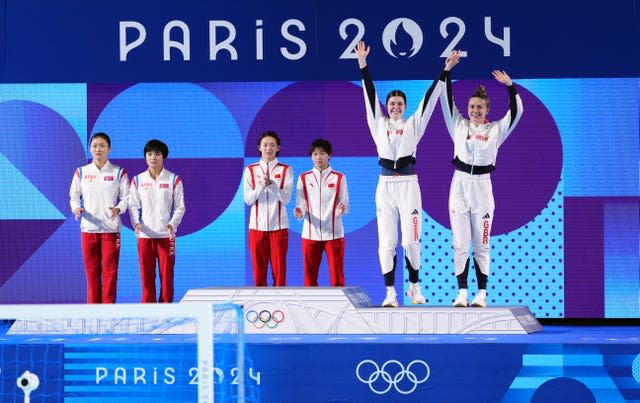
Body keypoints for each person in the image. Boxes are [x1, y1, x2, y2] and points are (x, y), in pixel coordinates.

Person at [355, 40, 448, 307]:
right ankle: (390, 294)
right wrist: (363, 64)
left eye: (399, 104)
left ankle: (415, 289)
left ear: (405, 107)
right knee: (387, 242)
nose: (395, 107)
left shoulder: (413, 125)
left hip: (409, 186)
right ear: (387, 106)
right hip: (385, 186)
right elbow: (369, 95)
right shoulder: (378, 123)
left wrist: (444, 72)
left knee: (411, 240)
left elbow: (429, 101)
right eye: (392, 103)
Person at [440, 51, 524, 308]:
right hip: (460, 185)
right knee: (460, 243)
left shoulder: (496, 130)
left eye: (479, 107)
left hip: (483, 188)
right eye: (471, 107)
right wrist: (448, 70)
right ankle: (462, 292)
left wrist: (510, 86)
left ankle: (482, 294)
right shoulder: (458, 125)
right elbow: (445, 98)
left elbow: (517, 111)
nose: (474, 110)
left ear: (487, 109)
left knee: (482, 243)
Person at [69, 132, 128, 303]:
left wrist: (118, 208)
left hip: (111, 230)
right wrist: (76, 208)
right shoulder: (81, 172)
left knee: (110, 273)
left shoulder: (119, 172)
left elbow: (127, 197)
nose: (98, 149)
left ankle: (108, 311)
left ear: (109, 148)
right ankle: (93, 312)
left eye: (102, 145)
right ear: (90, 149)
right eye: (94, 146)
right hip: (88, 229)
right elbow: (73, 196)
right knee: (92, 273)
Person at [128, 139, 186, 303]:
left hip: (165, 236)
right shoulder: (138, 180)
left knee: (166, 278)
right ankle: (148, 313)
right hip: (145, 236)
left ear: (164, 156)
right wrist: (136, 224)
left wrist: (172, 224)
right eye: (149, 154)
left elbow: (180, 207)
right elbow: (132, 205)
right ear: (145, 157)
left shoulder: (173, 179)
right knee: (147, 279)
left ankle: (167, 313)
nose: (153, 157)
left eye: (157, 154)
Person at [293, 139, 349, 287]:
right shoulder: (303, 178)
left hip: (334, 234)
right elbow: (301, 203)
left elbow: (344, 203)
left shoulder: (339, 178)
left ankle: (339, 308)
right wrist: (299, 211)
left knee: (337, 277)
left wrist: (341, 209)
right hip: (310, 234)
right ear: (311, 156)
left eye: (322, 153)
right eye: (315, 153)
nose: (318, 157)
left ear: (329, 155)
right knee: (309, 277)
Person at [243, 131, 293, 286]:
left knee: (279, 273)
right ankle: (260, 306)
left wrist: (272, 185)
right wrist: (260, 185)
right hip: (256, 228)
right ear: (259, 147)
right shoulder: (250, 170)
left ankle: (280, 307)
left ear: (278, 148)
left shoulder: (286, 170)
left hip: (279, 227)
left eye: (272, 145)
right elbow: (248, 199)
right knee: (258, 272)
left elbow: (286, 199)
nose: (268, 148)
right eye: (265, 145)